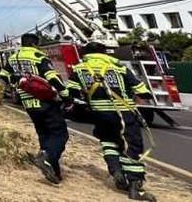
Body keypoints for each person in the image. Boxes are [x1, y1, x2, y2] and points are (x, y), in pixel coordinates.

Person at [67, 42, 156, 201]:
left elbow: (71, 92)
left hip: (99, 114)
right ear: (105, 53)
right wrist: (143, 96)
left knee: (108, 142)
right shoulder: (119, 67)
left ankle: (116, 170)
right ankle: (135, 184)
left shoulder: (79, 69)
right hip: (123, 113)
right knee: (132, 146)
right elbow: (142, 90)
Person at [0, 33, 70, 184]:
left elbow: (3, 74)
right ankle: (46, 157)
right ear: (34, 44)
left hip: (28, 103)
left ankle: (54, 172)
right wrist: (66, 96)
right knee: (60, 134)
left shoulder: (13, 58)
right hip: (45, 100)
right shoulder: (39, 57)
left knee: (44, 135)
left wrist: (18, 81)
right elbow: (53, 77)